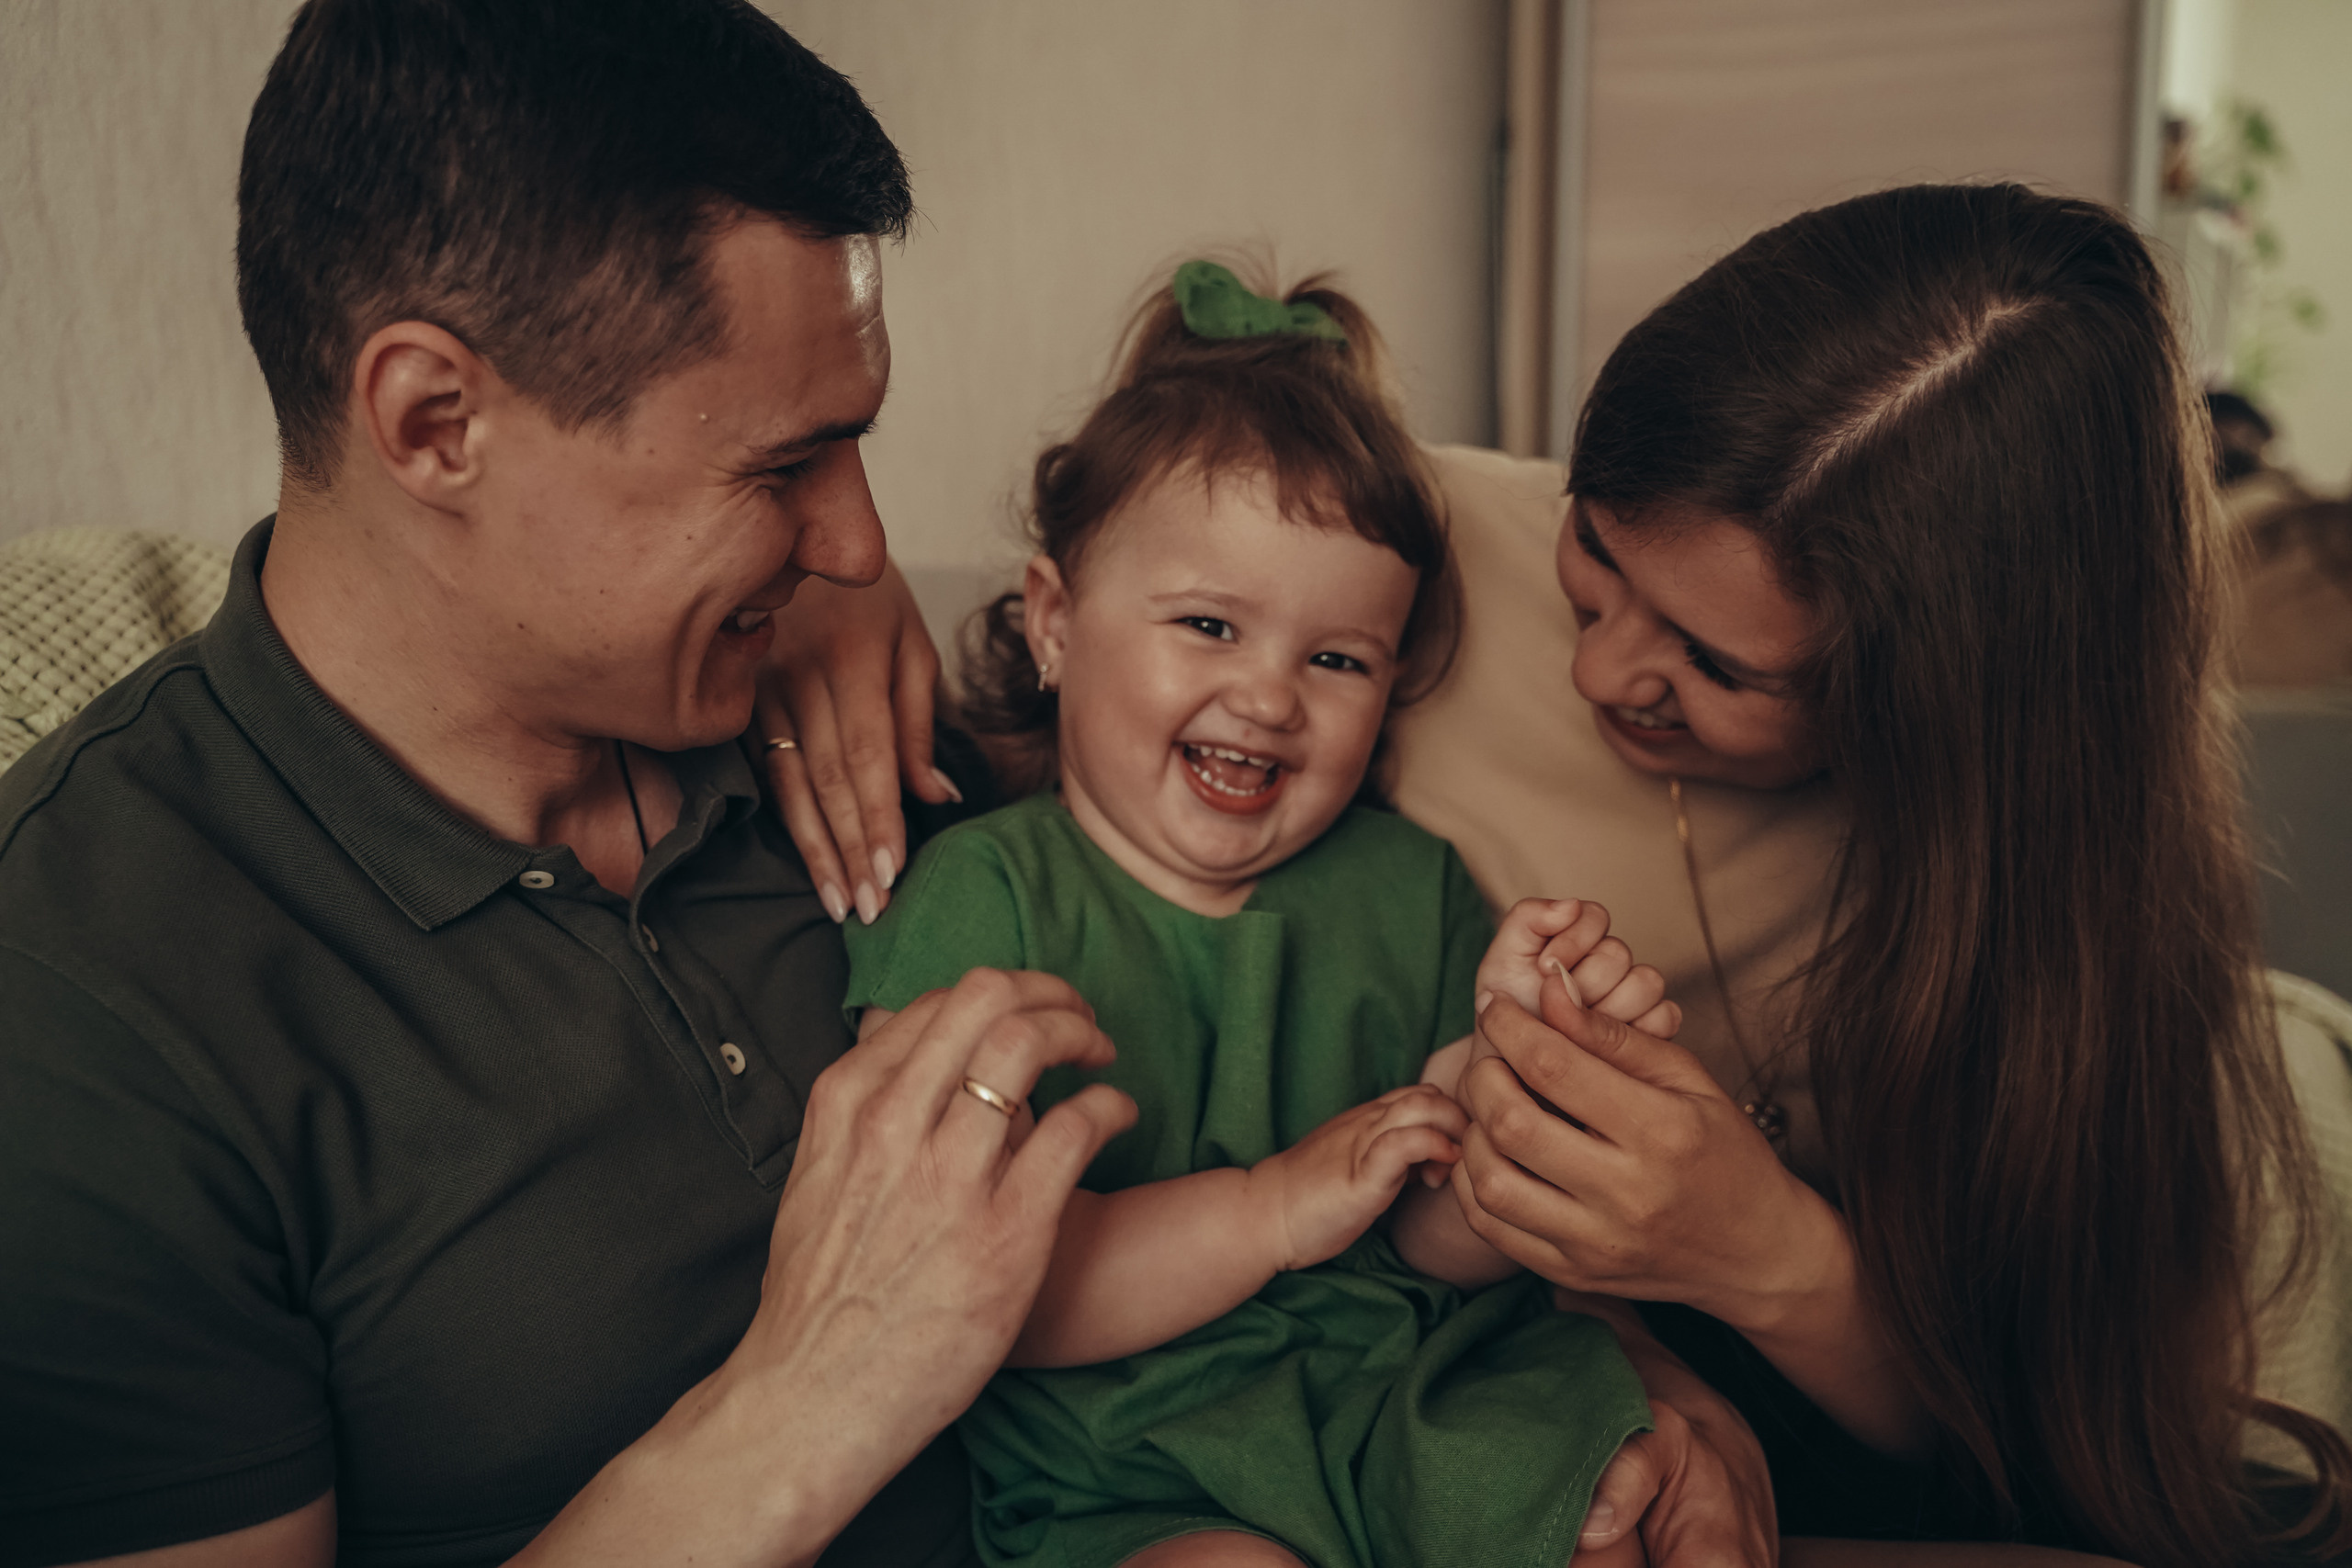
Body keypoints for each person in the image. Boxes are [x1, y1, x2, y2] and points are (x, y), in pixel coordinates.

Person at [773, 186, 2352, 1565]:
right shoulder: (1384, 521)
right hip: (1190, 1440)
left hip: (1494, 1397)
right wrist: (831, 592)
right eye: (1594, 556)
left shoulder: (2019, 896)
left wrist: (1582, 1150)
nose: (1600, 669)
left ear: (1925, 710)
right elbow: (1153, 528)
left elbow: (2041, 1448)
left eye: (1718, 666)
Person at [0, 4, 1142, 1565]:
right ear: (435, 423)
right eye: (781, 467)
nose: (858, 543)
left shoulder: (793, 696)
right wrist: (819, 1386)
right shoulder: (81, 1008)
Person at [839, 261, 1676, 1568]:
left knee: (1601, 1517)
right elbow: (959, 1289)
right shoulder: (983, 897)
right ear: (1055, 623)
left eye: (1337, 658)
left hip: (1409, 1399)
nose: (1273, 697)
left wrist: (1511, 1082)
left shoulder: (1414, 887)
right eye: (1210, 625)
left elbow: (1438, 1253)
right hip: (1135, 1458)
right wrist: (1275, 1207)